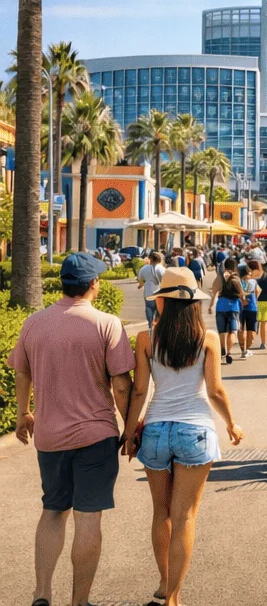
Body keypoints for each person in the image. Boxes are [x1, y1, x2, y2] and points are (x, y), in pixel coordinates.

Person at [8, 252, 135, 606]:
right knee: (87, 516)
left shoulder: (34, 323)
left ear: (62, 284)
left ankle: (41, 593)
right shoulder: (107, 324)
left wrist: (23, 413)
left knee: (53, 510)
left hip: (49, 436)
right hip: (96, 435)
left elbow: (22, 371)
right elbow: (121, 384)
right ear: (94, 284)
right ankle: (79, 602)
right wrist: (129, 428)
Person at [123, 266, 243, 606]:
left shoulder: (147, 338)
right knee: (185, 516)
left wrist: (130, 433)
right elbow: (216, 390)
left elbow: (139, 391)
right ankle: (173, 598)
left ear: (161, 303)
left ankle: (164, 581)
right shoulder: (207, 339)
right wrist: (232, 423)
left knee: (160, 512)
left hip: (157, 429)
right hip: (196, 429)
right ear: (193, 304)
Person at [209, 260, 243, 364]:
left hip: (221, 306)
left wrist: (211, 306)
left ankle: (222, 348)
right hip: (234, 307)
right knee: (232, 331)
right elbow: (241, 294)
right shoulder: (236, 277)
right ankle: (228, 352)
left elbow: (214, 291)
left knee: (222, 331)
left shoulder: (220, 276)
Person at [138, 251, 167, 334]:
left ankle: (150, 327)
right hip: (159, 294)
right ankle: (158, 329)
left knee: (149, 309)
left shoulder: (144, 269)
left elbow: (140, 279)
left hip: (148, 293)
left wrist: (141, 285)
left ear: (150, 259)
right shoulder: (162, 269)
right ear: (160, 259)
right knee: (159, 312)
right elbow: (166, 281)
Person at [237, 263, 259, 359]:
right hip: (248, 308)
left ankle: (245, 349)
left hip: (249, 307)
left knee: (250, 331)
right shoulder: (238, 282)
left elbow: (258, 290)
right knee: (245, 329)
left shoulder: (252, 281)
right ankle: (244, 350)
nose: (250, 274)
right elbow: (258, 291)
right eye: (248, 273)